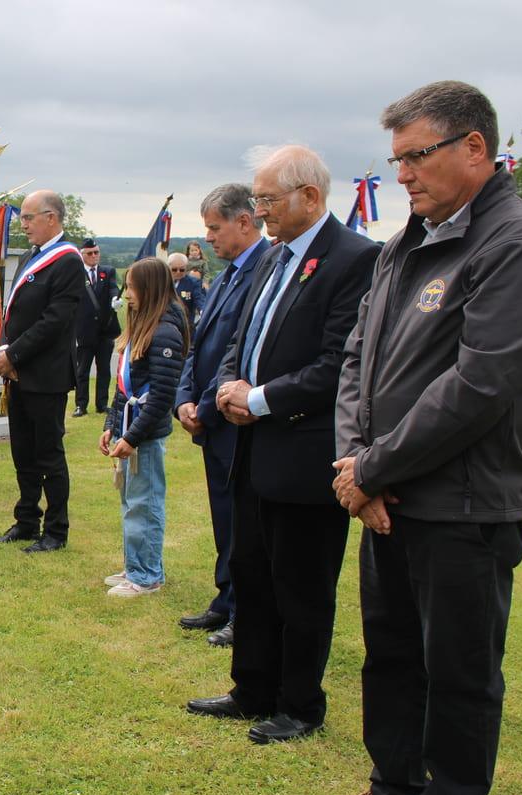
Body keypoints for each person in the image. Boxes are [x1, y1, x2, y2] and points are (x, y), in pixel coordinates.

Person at [313, 80, 522, 795]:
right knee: (390, 657)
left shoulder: (520, 246)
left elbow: (478, 387)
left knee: (459, 671)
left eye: (416, 157)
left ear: (474, 148)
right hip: (390, 495)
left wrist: (374, 468)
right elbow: (360, 357)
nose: (403, 176)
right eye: (395, 161)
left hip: (465, 504)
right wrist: (357, 462)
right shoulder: (409, 240)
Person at [185, 144, 379, 744]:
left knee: (301, 587)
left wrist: (258, 398)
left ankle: (299, 705)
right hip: (251, 452)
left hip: (303, 455)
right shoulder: (272, 257)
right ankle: (251, 689)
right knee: (254, 574)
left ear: (310, 197)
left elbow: (338, 364)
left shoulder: (354, 259)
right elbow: (242, 338)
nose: (260, 210)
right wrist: (224, 389)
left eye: (268, 200)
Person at [173, 184, 270, 647]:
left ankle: (243, 609)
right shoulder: (229, 273)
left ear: (244, 222)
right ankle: (224, 597)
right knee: (222, 515)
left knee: (242, 524)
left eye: (215, 227)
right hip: (209, 417)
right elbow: (201, 344)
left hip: (231, 418)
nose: (208, 237)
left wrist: (207, 408)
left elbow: (239, 353)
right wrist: (184, 398)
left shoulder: (263, 271)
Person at [0, 189, 87, 553]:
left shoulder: (67, 261)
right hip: (17, 373)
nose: (23, 224)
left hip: (45, 376)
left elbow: (55, 321)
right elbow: (14, 311)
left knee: (48, 454)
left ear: (52, 218)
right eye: (23, 218)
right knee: (23, 453)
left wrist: (13, 354)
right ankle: (26, 520)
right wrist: (4, 347)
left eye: (29, 218)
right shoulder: (33, 256)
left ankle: (56, 530)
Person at [99, 258, 187, 596]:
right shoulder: (140, 326)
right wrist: (111, 424)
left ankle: (147, 575)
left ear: (149, 289)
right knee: (131, 501)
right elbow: (125, 387)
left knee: (145, 504)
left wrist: (133, 437)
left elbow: (163, 395)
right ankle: (135, 566)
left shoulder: (164, 330)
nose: (127, 295)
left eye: (132, 287)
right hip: (129, 428)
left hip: (145, 435)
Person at [72, 237, 121, 417]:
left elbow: (113, 288)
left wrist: (115, 299)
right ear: (82, 255)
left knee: (104, 370)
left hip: (105, 330)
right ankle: (80, 405)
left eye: (96, 252)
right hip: (84, 330)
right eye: (90, 253)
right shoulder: (77, 273)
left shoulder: (107, 272)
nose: (94, 256)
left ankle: (102, 404)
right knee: (82, 370)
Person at [168, 252, 206, 323]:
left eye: (182, 270)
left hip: (186, 326)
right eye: (174, 269)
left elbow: (199, 299)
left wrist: (203, 311)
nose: (178, 272)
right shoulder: (162, 282)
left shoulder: (194, 283)